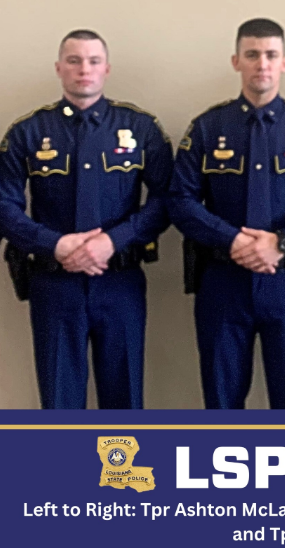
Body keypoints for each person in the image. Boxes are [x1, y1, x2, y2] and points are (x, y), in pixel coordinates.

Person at [169, 18, 285, 409]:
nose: (261, 64)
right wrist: (233, 240)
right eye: (252, 55)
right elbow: (179, 199)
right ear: (236, 61)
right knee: (222, 403)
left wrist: (284, 241)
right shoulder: (207, 127)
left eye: (270, 55)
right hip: (223, 281)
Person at [0, 30, 173, 409]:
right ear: (59, 68)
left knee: (124, 399)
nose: (84, 69)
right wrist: (55, 244)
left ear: (106, 68)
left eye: (94, 61)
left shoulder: (140, 128)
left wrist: (113, 241)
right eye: (74, 61)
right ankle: (66, 454)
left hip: (119, 281)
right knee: (59, 401)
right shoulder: (28, 132)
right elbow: (4, 206)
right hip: (54, 284)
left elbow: (167, 200)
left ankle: (120, 455)